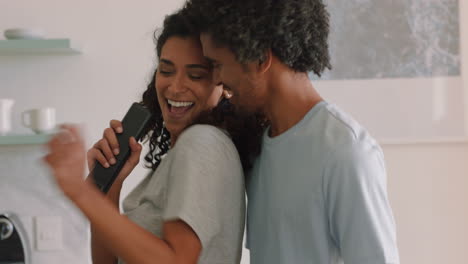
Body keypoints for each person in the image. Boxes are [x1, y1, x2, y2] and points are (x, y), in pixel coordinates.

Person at [182, 0, 400, 263]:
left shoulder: (346, 153)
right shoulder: (256, 146)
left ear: (260, 58)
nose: (216, 79)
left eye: (217, 64)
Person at [44, 11, 263, 264]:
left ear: (223, 86)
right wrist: (110, 188)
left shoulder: (202, 143)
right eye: (166, 71)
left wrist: (80, 194)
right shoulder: (184, 151)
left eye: (195, 75)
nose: (176, 86)